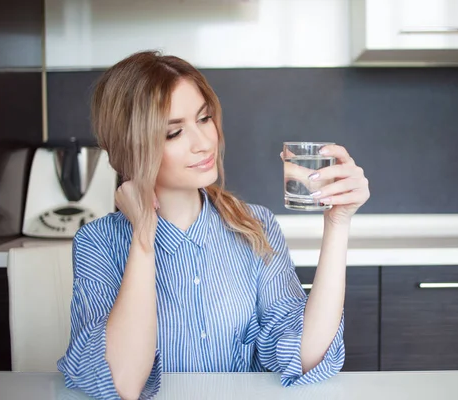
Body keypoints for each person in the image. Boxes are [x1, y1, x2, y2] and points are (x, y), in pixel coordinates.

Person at [57, 50, 370, 400]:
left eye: (204, 119)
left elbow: (306, 355)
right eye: (174, 133)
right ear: (130, 147)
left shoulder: (256, 225)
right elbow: (122, 383)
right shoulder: (97, 243)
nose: (204, 142)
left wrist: (338, 222)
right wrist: (143, 236)